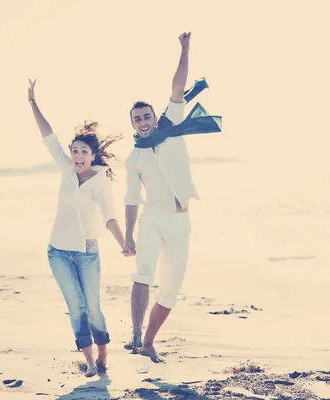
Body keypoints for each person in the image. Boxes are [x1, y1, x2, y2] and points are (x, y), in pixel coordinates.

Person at [122, 32, 222, 363]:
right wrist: (128, 235)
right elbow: (132, 198)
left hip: (181, 224)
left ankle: (149, 341)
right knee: (144, 271)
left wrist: (185, 48)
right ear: (134, 126)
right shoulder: (134, 159)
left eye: (146, 116)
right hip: (152, 221)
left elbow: (178, 86)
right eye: (137, 119)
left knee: (170, 290)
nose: (143, 122)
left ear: (154, 117)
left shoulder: (172, 123)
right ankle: (135, 335)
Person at [28, 79, 126, 377]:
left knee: (93, 308)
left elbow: (110, 217)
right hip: (58, 251)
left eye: (83, 152)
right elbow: (48, 137)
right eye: (74, 152)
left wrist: (124, 243)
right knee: (76, 306)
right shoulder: (65, 169)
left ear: (92, 155)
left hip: (87, 252)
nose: (78, 156)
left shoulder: (100, 180)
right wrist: (33, 103)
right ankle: (90, 362)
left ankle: (104, 352)